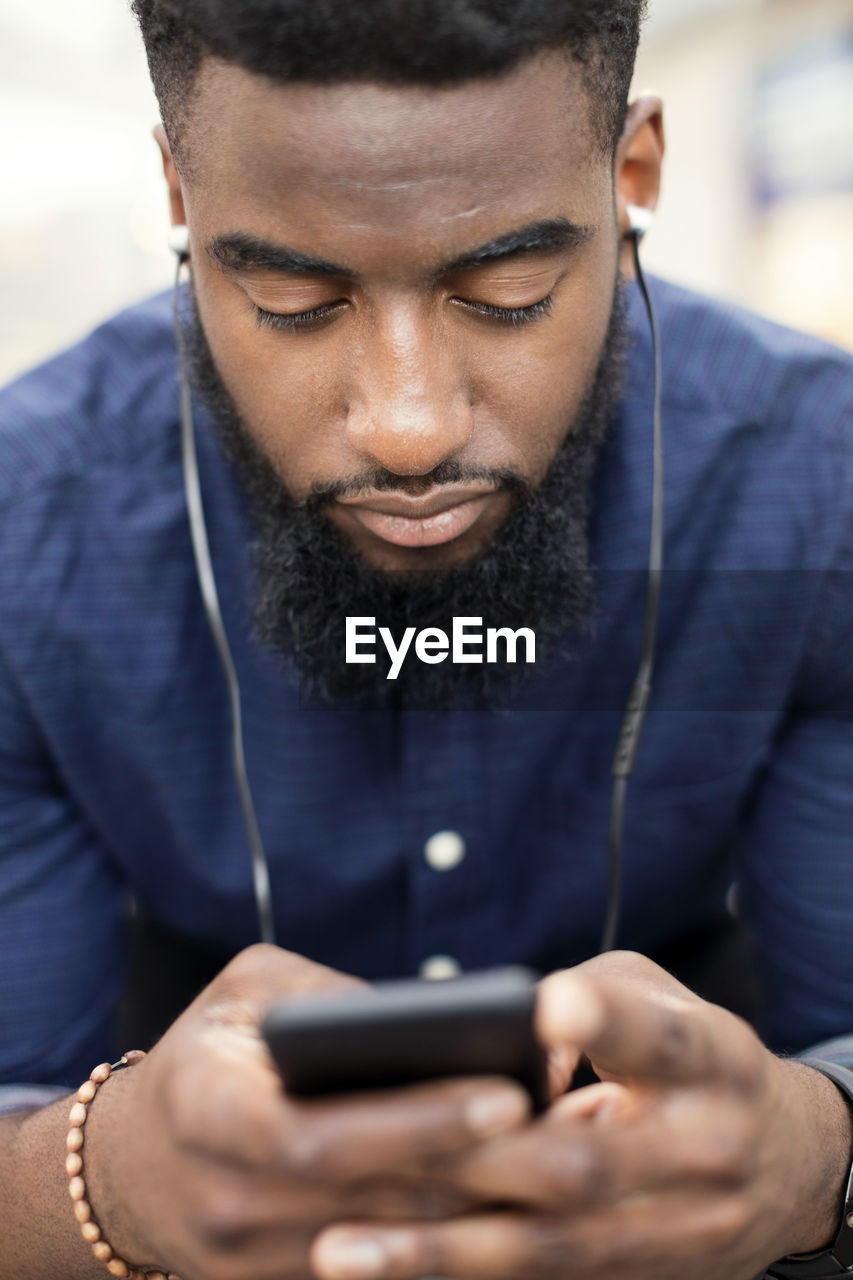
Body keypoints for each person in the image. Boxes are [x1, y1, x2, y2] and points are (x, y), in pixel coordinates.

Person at [1, 1, 852, 1277]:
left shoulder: (815, 476)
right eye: (293, 297)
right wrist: (104, 1175)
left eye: (505, 293)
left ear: (632, 180)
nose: (407, 426)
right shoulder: (28, 520)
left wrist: (814, 1154)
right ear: (178, 194)